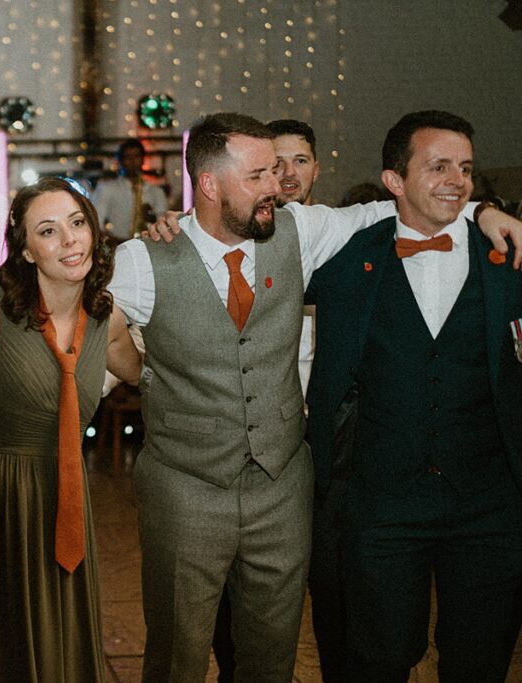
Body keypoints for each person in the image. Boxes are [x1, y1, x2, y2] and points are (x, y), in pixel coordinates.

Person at [0, 112, 522, 681]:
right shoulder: (141, 260)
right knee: (178, 654)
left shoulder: (301, 231)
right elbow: (60, 306)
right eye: (258, 175)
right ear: (209, 184)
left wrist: (481, 209)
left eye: (276, 173)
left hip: (282, 490)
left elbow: (399, 208)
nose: (276, 186)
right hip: (185, 489)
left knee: (271, 656)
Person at [305, 110, 522, 681]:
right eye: (440, 166)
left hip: (488, 503)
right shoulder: (346, 258)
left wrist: (491, 211)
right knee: (376, 659)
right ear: (394, 181)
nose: (457, 179)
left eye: (467, 169)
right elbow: (242, 243)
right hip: (381, 506)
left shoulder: (510, 257)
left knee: (481, 661)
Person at [0, 177, 142, 681]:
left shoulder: (106, 320)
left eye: (76, 223)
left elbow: (159, 378)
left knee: (54, 649)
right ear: (25, 251)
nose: (70, 240)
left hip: (64, 499)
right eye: (48, 231)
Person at [212, 117, 321, 682]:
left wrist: (481, 210)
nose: (285, 176)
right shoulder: (216, 239)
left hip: (311, 453)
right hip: (225, 462)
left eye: (298, 162)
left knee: (296, 607)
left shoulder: (328, 239)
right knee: (225, 615)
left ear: (316, 169)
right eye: (271, 166)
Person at [92, 139, 168, 243]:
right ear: (120, 161)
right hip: (116, 246)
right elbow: (96, 222)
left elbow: (162, 222)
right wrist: (111, 242)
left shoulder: (156, 192)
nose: (133, 161)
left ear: (142, 159)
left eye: (136, 156)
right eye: (128, 157)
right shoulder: (106, 188)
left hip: (148, 246)